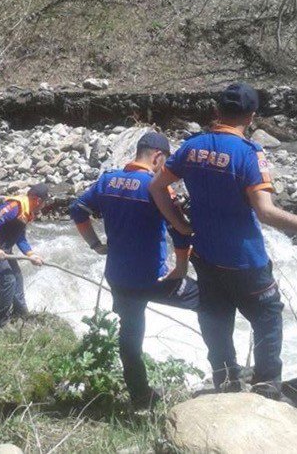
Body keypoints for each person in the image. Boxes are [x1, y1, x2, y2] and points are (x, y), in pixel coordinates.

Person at [149, 83, 297, 399]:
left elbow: (156, 188)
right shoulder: (249, 154)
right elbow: (266, 213)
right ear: (252, 115)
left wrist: (180, 224)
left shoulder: (192, 147)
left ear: (218, 111)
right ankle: (267, 387)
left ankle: (226, 383)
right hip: (245, 261)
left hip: (205, 254)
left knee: (215, 320)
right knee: (268, 318)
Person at [70, 132, 199, 409]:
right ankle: (225, 374)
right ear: (158, 157)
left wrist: (95, 244)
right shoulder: (157, 187)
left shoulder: (106, 181)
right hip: (155, 279)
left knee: (130, 336)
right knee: (209, 301)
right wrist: (180, 267)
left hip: (119, 277)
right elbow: (179, 230)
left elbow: (77, 209)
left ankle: (141, 396)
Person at [0, 184, 49, 327]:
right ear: (38, 200)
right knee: (8, 280)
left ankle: (21, 313)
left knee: (17, 277)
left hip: (3, 250)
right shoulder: (14, 206)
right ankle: (1, 323)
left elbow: (20, 237)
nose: (44, 206)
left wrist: (31, 255)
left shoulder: (26, 212)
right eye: (44, 202)